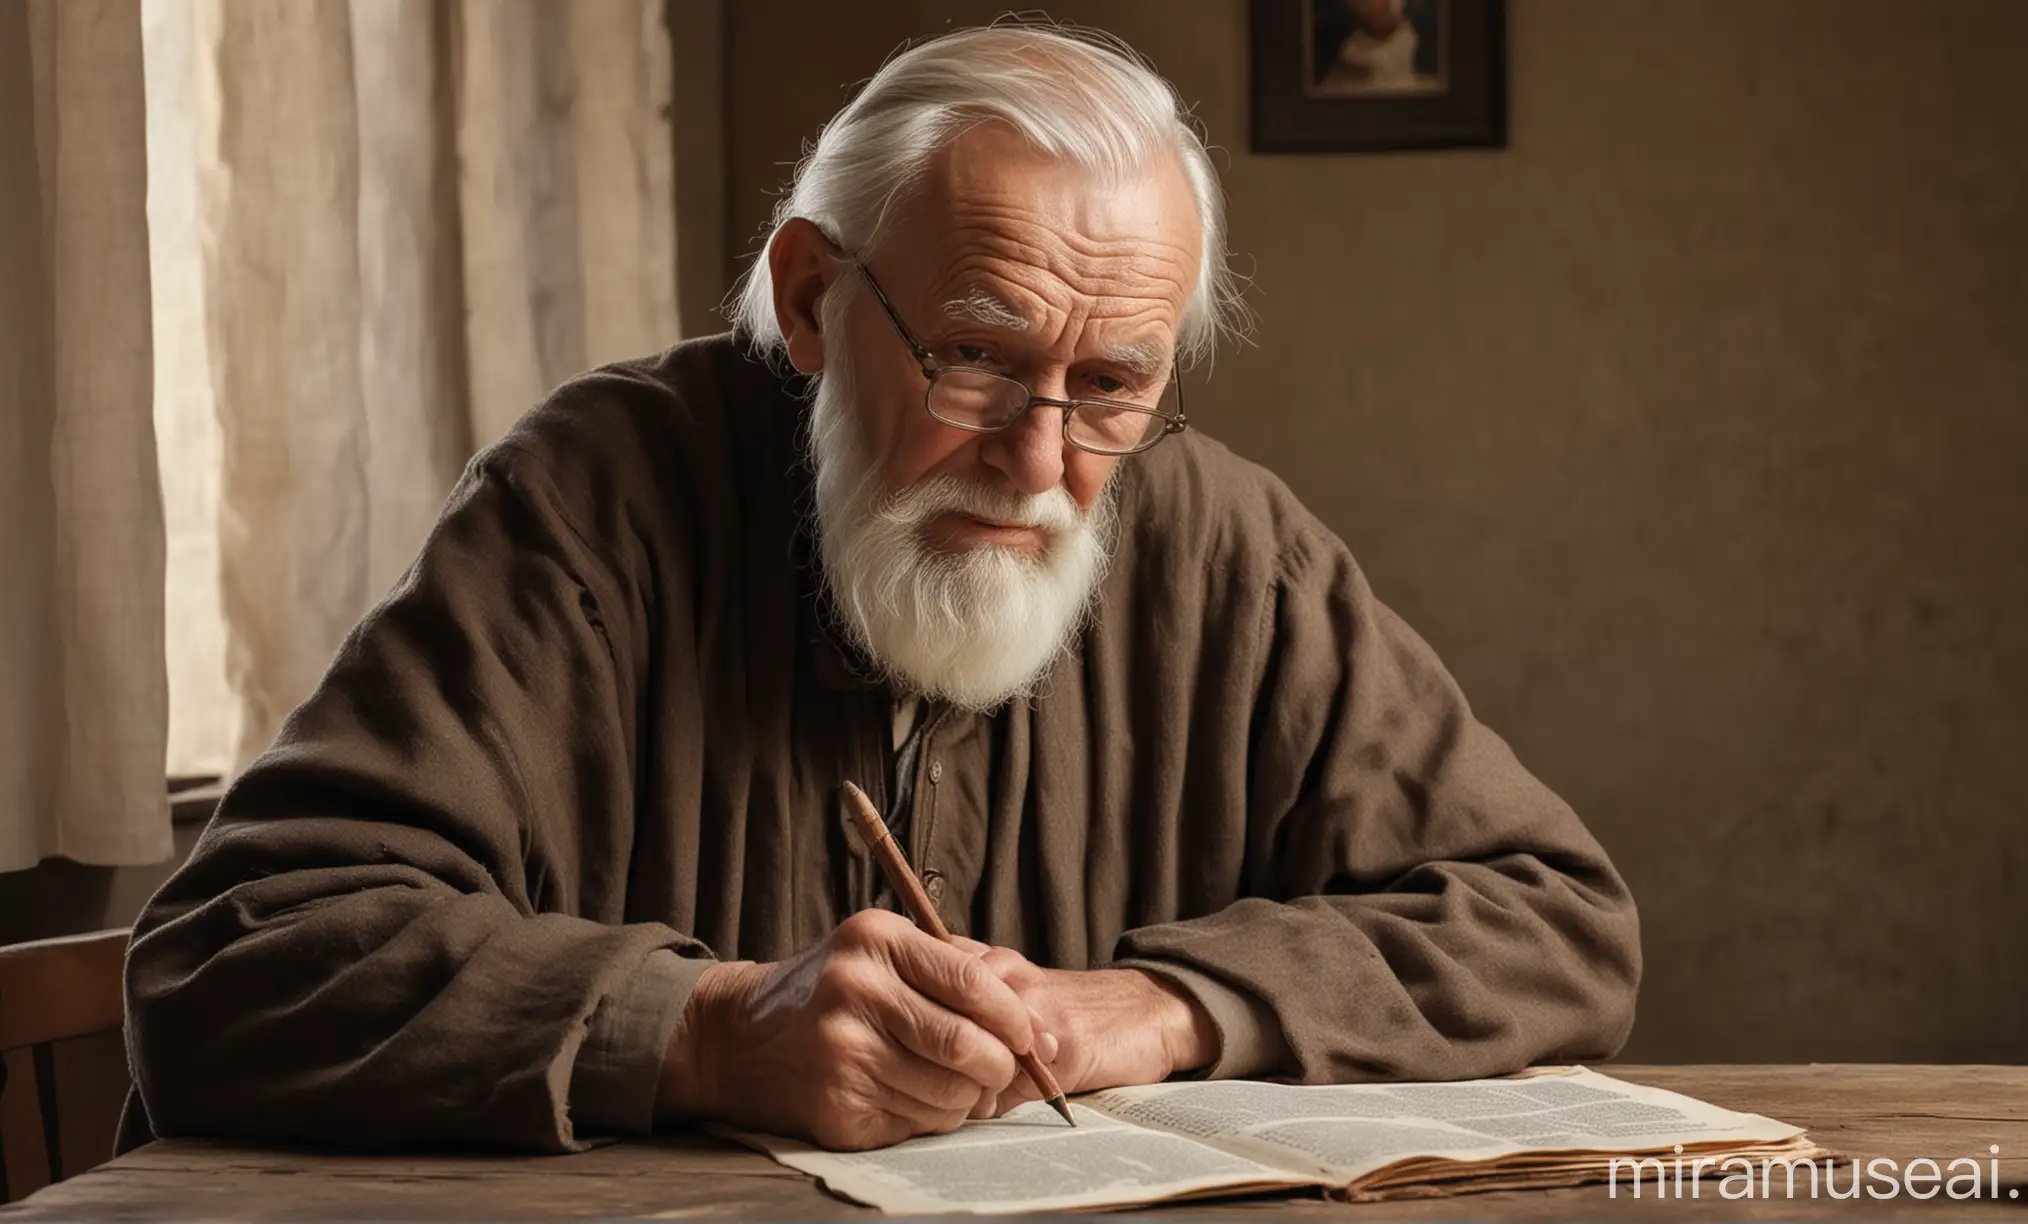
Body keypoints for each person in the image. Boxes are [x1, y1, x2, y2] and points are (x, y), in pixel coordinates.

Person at [125, 22, 1640, 1155]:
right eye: (976, 357)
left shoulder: (1224, 542)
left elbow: (1550, 919)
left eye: (1112, 382)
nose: (1040, 461)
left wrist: (1163, 1008)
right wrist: (707, 1032)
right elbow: (233, 955)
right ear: (810, 298)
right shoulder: (596, 501)